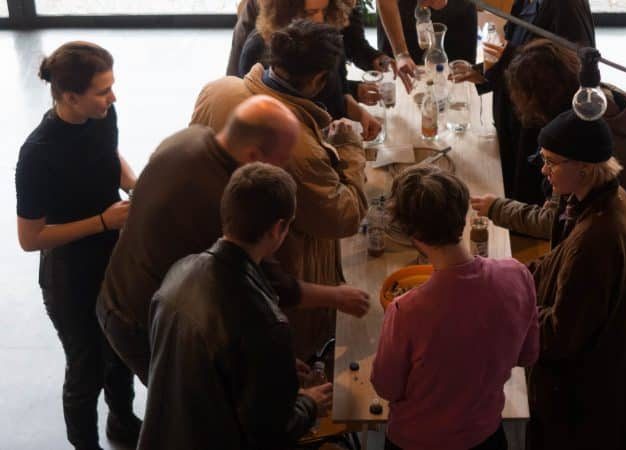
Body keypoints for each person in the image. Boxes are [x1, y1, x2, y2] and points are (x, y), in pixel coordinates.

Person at [98, 95, 370, 383]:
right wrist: (337, 297)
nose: (286, 165)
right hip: (140, 321)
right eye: (282, 159)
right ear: (254, 155)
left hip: (116, 289)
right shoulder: (219, 199)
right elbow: (266, 284)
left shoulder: (192, 138)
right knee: (191, 407)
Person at [470, 38, 626, 353]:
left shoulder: (583, 144)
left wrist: (496, 208)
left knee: (625, 338)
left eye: (550, 162)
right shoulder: (598, 102)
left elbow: (552, 220)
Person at [192, 19, 372, 358]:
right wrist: (349, 148)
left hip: (210, 260)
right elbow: (342, 217)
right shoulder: (296, 146)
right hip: (276, 286)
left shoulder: (218, 89)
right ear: (320, 80)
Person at [139, 163, 333, 450]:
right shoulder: (265, 321)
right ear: (279, 228)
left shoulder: (179, 272)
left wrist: (271, 366)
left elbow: (197, 359)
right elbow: (270, 432)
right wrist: (309, 403)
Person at [15, 41, 141, 450]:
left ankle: (123, 422)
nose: (113, 97)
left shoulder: (103, 115)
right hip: (70, 276)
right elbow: (30, 239)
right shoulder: (38, 154)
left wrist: (134, 183)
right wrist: (103, 221)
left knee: (120, 352)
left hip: (111, 256)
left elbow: (108, 153)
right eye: (103, 91)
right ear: (70, 97)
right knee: (86, 370)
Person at [371, 166, 539, 450]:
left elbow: (386, 387)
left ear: (413, 234)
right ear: (463, 215)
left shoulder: (406, 310)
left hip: (416, 441)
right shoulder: (517, 275)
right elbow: (528, 355)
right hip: (485, 435)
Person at [520, 111, 626, 449]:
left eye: (551, 162)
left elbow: (557, 336)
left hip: (585, 398)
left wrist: (507, 309)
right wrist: (509, 276)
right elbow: (556, 263)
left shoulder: (597, 239)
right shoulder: (607, 199)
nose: (543, 170)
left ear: (582, 166)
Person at [453, 0, 595, 205]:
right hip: (515, 120)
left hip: (536, 133)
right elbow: (517, 50)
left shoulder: (567, 6)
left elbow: (572, 74)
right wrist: (484, 72)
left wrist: (508, 57)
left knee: (526, 203)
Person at [238, 0, 382, 140]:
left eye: (324, 11)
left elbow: (339, 85)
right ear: (285, 12)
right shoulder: (257, 51)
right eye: (311, 12)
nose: (320, 19)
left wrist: (358, 111)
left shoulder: (325, 36)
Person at [377, 0, 476, 92]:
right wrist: (401, 53)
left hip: (459, 13)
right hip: (399, 18)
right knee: (402, 85)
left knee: (460, 80)